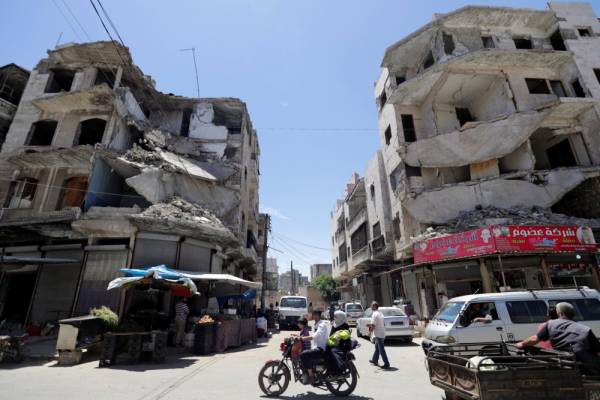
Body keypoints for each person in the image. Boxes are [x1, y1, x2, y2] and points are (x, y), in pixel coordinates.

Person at [517, 302, 600, 375]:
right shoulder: (585, 329)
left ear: (559, 314)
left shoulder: (551, 324)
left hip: (564, 365)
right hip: (587, 367)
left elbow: (534, 339)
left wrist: (521, 343)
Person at [299, 310, 330, 384]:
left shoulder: (322, 325)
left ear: (316, 315)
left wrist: (302, 338)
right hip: (316, 347)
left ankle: (311, 376)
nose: (311, 316)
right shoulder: (316, 324)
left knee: (303, 354)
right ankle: (311, 372)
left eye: (312, 314)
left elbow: (316, 335)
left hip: (321, 349)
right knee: (305, 353)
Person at [367, 301, 390, 369]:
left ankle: (386, 363)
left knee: (381, 349)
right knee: (377, 347)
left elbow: (373, 325)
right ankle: (374, 360)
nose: (370, 307)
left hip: (379, 334)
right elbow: (380, 323)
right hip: (381, 332)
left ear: (374, 306)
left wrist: (369, 332)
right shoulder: (380, 313)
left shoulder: (374, 314)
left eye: (371, 306)